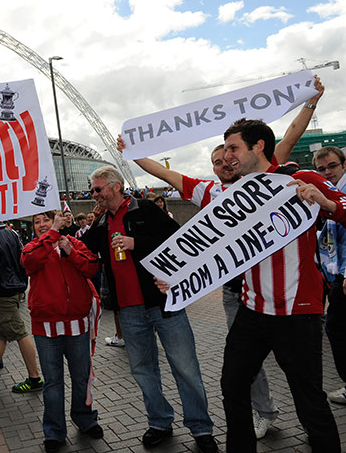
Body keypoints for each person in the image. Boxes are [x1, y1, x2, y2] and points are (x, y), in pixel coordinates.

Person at [115, 78, 324, 439]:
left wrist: (310, 103)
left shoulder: (272, 179)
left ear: (250, 153)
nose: (224, 162)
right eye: (217, 160)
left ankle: (309, 426)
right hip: (243, 300)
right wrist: (131, 153)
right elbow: (164, 174)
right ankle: (260, 419)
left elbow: (288, 134)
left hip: (293, 305)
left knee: (305, 388)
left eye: (229, 154)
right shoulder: (211, 194)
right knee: (237, 380)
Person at [217, 119, 343, 452]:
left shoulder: (300, 179)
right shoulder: (237, 194)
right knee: (232, 386)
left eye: (234, 148)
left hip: (296, 313)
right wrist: (175, 279)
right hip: (252, 309)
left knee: (308, 399)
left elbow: (343, 207)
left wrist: (326, 203)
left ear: (258, 146)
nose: (228, 155)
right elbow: (208, 249)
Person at [81, 166, 217, 453]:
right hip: (128, 311)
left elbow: (179, 241)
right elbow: (85, 249)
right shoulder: (103, 222)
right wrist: (92, 221)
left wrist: (136, 243)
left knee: (186, 368)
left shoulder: (145, 209)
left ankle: (201, 428)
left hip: (163, 304)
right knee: (143, 370)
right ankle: (159, 422)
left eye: (98, 189)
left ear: (116, 187)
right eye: (92, 190)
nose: (94, 194)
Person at [21, 210, 103, 452]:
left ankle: (85, 419)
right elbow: (29, 264)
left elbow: (91, 268)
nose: (42, 224)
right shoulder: (31, 247)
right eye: (37, 221)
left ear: (57, 219)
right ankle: (54, 432)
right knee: (53, 382)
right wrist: (53, 234)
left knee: (81, 377)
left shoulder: (75, 243)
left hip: (77, 323)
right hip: (45, 327)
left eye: (46, 219)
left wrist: (69, 251)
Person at [0, 222, 42, 392]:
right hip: (12, 288)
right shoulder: (10, 232)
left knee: (19, 333)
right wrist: (21, 285)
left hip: (1, 292)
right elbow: (21, 259)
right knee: (1, 334)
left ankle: (35, 377)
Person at [312, 146, 346, 406]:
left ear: (343, 165)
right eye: (321, 169)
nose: (327, 172)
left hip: (344, 278)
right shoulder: (325, 193)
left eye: (332, 166)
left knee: (336, 328)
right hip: (334, 276)